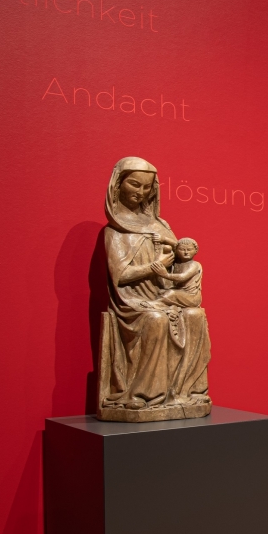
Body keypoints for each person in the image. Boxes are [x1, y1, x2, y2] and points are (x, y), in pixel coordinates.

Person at [100, 157, 211, 416]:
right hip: (131, 300)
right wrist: (154, 266)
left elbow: (179, 260)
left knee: (195, 315)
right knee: (156, 319)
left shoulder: (160, 225)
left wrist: (182, 267)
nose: (140, 192)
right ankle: (144, 394)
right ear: (118, 185)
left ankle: (185, 391)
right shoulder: (115, 231)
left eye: (146, 187)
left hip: (164, 291)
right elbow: (120, 276)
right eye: (134, 184)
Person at [156, 238, 202, 309]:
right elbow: (176, 245)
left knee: (171, 293)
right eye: (182, 250)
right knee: (161, 292)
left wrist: (165, 275)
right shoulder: (177, 263)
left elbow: (182, 277)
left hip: (192, 296)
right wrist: (163, 239)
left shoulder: (194, 265)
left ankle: (155, 304)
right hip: (180, 292)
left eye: (189, 250)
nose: (186, 252)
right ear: (176, 251)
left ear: (196, 250)